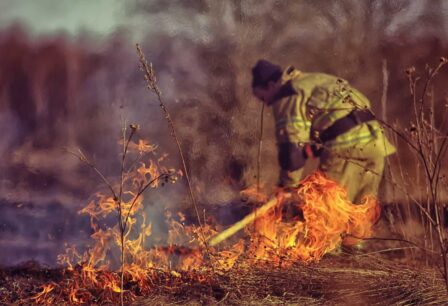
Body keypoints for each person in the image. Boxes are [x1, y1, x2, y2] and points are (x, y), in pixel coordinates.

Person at [251, 59, 396, 204]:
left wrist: (285, 188)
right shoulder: (313, 80)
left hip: (346, 148)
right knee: (360, 214)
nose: (267, 104)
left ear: (271, 85)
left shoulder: (287, 94)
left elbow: (291, 151)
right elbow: (338, 115)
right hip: (374, 142)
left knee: (328, 214)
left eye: (263, 98)